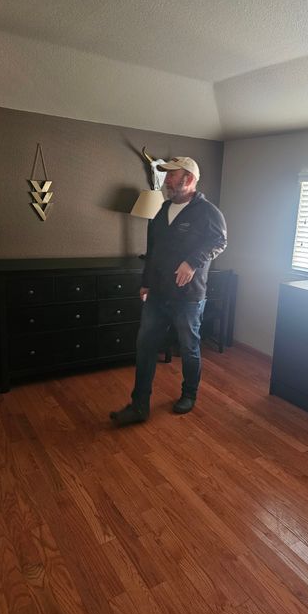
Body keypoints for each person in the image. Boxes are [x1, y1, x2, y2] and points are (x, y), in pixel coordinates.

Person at [110, 156, 227, 426]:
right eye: (166, 175)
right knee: (145, 347)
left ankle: (189, 394)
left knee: (188, 347)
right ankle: (139, 405)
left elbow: (219, 241)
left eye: (172, 175)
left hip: (188, 297)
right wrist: (146, 282)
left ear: (189, 179)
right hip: (158, 294)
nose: (167, 181)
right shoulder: (162, 210)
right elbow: (152, 251)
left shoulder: (208, 212)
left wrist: (192, 262)